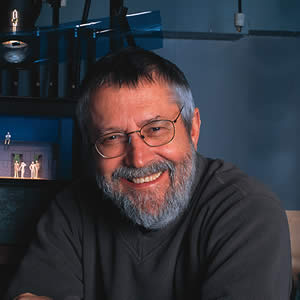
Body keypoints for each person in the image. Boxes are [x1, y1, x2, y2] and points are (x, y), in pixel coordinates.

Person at [5, 47, 292, 300]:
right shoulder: (71, 210)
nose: (138, 159)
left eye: (156, 129)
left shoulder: (247, 210)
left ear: (193, 129)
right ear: (91, 148)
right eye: (113, 137)